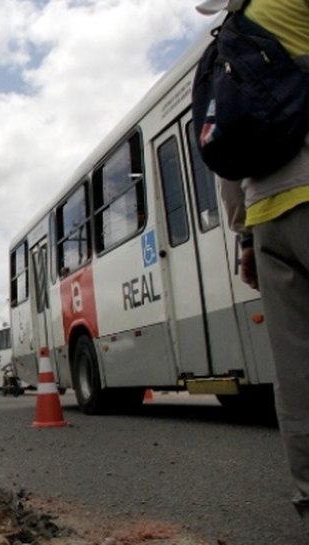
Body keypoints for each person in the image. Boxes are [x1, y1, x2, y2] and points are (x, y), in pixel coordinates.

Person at [202, 0, 309, 521]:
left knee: (296, 375)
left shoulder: (230, 33)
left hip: (269, 218)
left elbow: (227, 157)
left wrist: (245, 238)